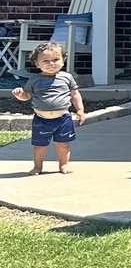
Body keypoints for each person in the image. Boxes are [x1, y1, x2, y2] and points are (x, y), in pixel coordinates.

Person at [11, 41, 86, 175]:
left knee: (63, 144)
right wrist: (20, 95)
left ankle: (63, 165)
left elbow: (75, 94)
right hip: (41, 119)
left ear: (63, 61)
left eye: (55, 59)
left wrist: (80, 110)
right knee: (40, 146)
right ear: (37, 64)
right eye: (46, 61)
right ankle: (37, 167)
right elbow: (27, 96)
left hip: (63, 118)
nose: (51, 64)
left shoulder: (67, 77)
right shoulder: (34, 80)